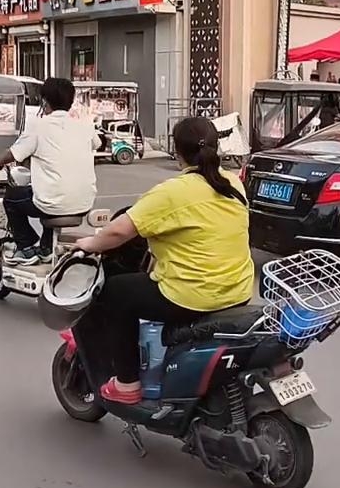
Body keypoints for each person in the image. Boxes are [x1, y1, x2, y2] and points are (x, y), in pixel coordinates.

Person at [74, 116, 254, 404]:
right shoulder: (233, 183)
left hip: (191, 295)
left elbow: (120, 230)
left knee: (117, 293)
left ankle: (127, 384)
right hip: (237, 291)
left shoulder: (174, 191)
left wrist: (89, 243)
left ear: (177, 150)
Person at [0, 77, 99, 264]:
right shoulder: (85, 124)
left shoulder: (38, 125)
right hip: (84, 202)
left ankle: (26, 247)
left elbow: (11, 154)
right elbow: (97, 143)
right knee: (52, 189)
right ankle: (45, 247)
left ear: (44, 101)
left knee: (13, 198)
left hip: (51, 202)